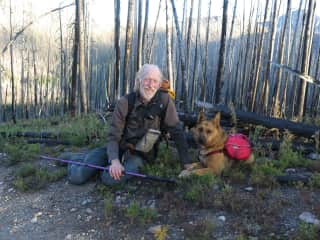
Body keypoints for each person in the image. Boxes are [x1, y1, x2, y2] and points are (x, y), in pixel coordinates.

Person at [67, 64, 191, 185]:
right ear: (139, 81)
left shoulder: (164, 101)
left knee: (110, 179)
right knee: (78, 177)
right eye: (147, 80)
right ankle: (75, 161)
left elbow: (177, 131)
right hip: (119, 149)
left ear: (159, 84)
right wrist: (114, 161)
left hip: (141, 155)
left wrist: (186, 164)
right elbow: (113, 136)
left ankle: (95, 165)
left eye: (154, 81)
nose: (150, 85)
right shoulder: (125, 102)